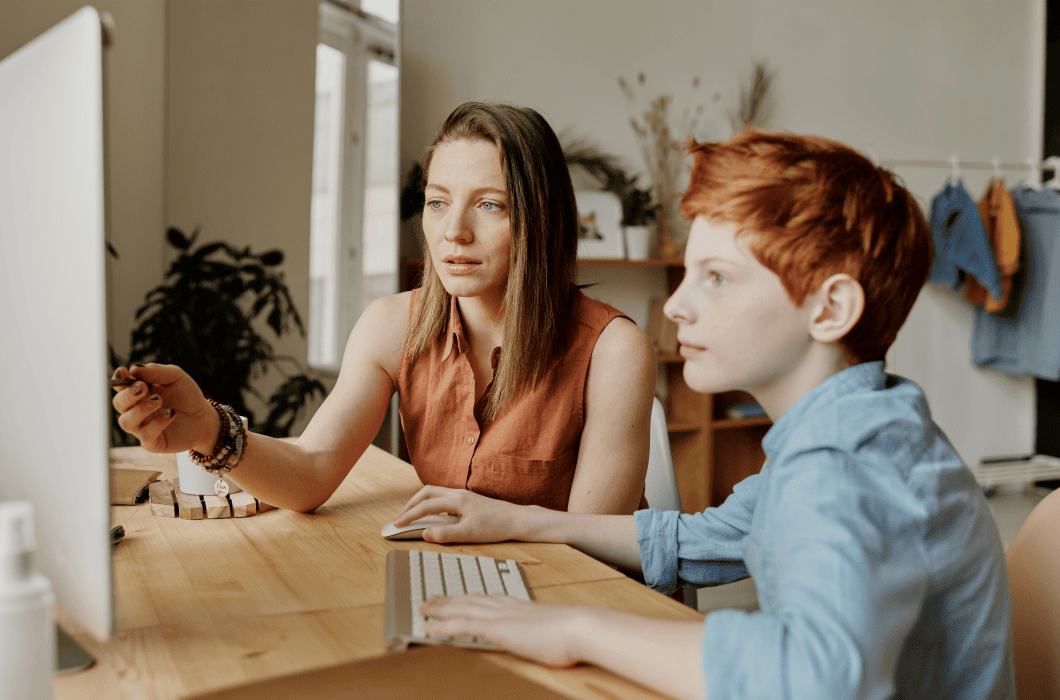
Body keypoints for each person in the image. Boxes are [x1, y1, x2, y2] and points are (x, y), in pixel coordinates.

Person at [396, 130, 1014, 699]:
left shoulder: (843, 465)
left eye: (717, 279)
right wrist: (515, 519)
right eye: (688, 274)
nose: (680, 307)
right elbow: (700, 538)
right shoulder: (857, 426)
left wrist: (577, 629)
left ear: (830, 310)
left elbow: (814, 676)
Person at [111, 101, 656, 516]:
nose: (453, 232)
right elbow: (311, 472)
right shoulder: (392, 325)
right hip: (464, 585)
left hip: (575, 605)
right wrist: (209, 429)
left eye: (490, 205)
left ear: (542, 221)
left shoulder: (614, 350)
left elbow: (591, 549)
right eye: (438, 202)